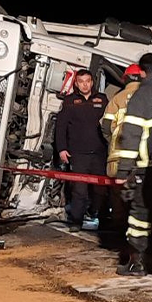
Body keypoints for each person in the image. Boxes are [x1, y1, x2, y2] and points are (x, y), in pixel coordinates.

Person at [111, 53, 152, 276]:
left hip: (147, 168)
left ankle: (137, 263)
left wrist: (123, 171)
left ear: (142, 72)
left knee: (140, 215)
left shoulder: (140, 97)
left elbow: (131, 137)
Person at [55, 69, 109, 232]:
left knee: (100, 189)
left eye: (88, 81)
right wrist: (62, 149)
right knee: (79, 189)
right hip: (77, 153)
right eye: (81, 81)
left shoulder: (103, 99)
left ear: (92, 82)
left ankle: (96, 214)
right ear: (76, 84)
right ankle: (76, 221)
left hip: (100, 152)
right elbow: (61, 126)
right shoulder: (70, 101)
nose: (85, 84)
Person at [102, 63, 143, 229]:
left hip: (117, 158)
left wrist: (112, 142)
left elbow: (105, 126)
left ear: (125, 78)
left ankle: (118, 228)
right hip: (140, 158)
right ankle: (136, 231)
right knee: (140, 195)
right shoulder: (149, 98)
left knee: (117, 194)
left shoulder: (117, 98)